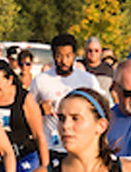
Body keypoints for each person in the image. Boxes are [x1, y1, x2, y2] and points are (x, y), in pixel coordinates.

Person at [31, 33, 104, 163]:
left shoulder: (88, 80)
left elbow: (101, 111)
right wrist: (40, 111)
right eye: (59, 56)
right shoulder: (41, 80)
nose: (64, 61)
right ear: (53, 56)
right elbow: (28, 112)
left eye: (68, 56)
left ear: (74, 56)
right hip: (51, 148)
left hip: (81, 147)